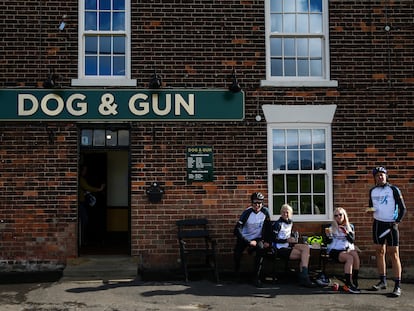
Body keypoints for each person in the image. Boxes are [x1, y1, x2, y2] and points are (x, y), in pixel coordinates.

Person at [368, 166, 407, 297]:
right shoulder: (372, 191)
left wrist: (397, 221)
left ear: (386, 176)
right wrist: (370, 210)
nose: (380, 176)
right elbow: (371, 206)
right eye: (378, 175)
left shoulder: (393, 189)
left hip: (391, 225)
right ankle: (382, 281)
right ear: (374, 178)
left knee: (394, 254)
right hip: (378, 224)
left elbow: (403, 208)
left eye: (382, 174)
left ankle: (397, 285)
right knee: (379, 252)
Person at [267, 203, 315, 287]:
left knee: (306, 248)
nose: (285, 214)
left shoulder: (290, 222)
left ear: (291, 214)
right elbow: (273, 239)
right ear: (281, 213)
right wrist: (286, 240)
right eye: (283, 212)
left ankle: (304, 276)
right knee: (305, 256)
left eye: (287, 212)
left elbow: (288, 234)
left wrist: (293, 237)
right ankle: (304, 277)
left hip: (289, 245)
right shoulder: (278, 224)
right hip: (280, 248)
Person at [233, 192, 270, 286]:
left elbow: (268, 227)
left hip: (257, 238)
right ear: (251, 203)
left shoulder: (265, 212)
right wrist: (248, 241)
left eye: (259, 203)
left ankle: (256, 277)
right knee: (237, 253)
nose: (257, 205)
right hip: (245, 238)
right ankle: (236, 275)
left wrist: (266, 240)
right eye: (255, 202)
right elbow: (237, 229)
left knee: (261, 250)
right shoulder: (247, 212)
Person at [325, 207, 360, 293]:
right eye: (336, 215)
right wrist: (328, 236)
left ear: (344, 215)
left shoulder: (349, 226)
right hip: (335, 250)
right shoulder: (331, 227)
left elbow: (352, 240)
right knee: (349, 258)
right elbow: (327, 242)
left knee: (355, 255)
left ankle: (354, 280)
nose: (338, 217)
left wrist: (346, 232)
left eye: (340, 214)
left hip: (346, 249)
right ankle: (348, 284)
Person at [79, 165, 105, 246]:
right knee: (84, 221)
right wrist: (99, 189)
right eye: (84, 170)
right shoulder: (80, 179)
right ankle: (82, 241)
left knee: (85, 220)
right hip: (80, 202)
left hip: (83, 202)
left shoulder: (82, 179)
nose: (85, 172)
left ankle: (83, 240)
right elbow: (87, 187)